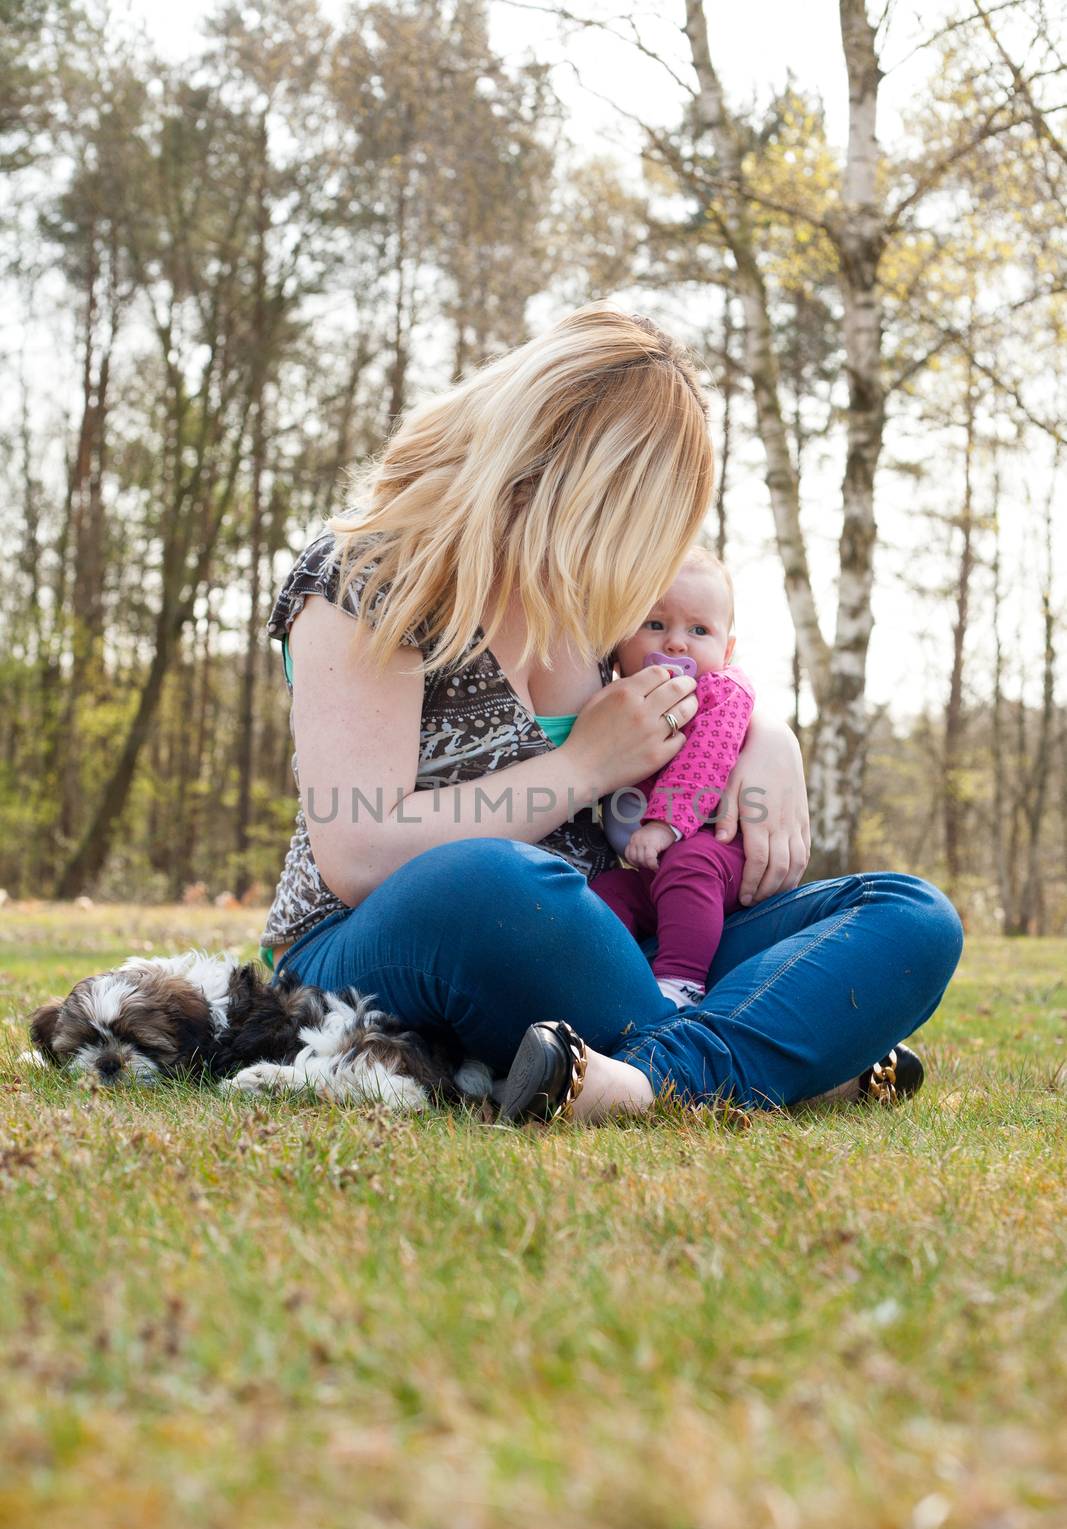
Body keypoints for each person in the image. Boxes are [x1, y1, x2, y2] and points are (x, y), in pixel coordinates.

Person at [259, 302, 963, 1125]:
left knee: (908, 914)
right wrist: (582, 766)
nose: (651, 556)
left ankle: (639, 1080)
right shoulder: (369, 575)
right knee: (496, 881)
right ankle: (772, 1059)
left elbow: (707, 699)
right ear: (578, 479)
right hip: (402, 937)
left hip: (620, 937)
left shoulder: (597, 607)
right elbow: (362, 851)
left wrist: (771, 741)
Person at [590, 546, 753, 1009]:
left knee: (690, 865)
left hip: (714, 851)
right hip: (647, 867)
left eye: (698, 630)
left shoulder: (721, 692)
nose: (677, 643)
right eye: (656, 625)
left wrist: (665, 825)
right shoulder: (619, 696)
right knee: (607, 894)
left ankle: (681, 983)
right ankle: (602, 978)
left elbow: (706, 759)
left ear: (727, 649)